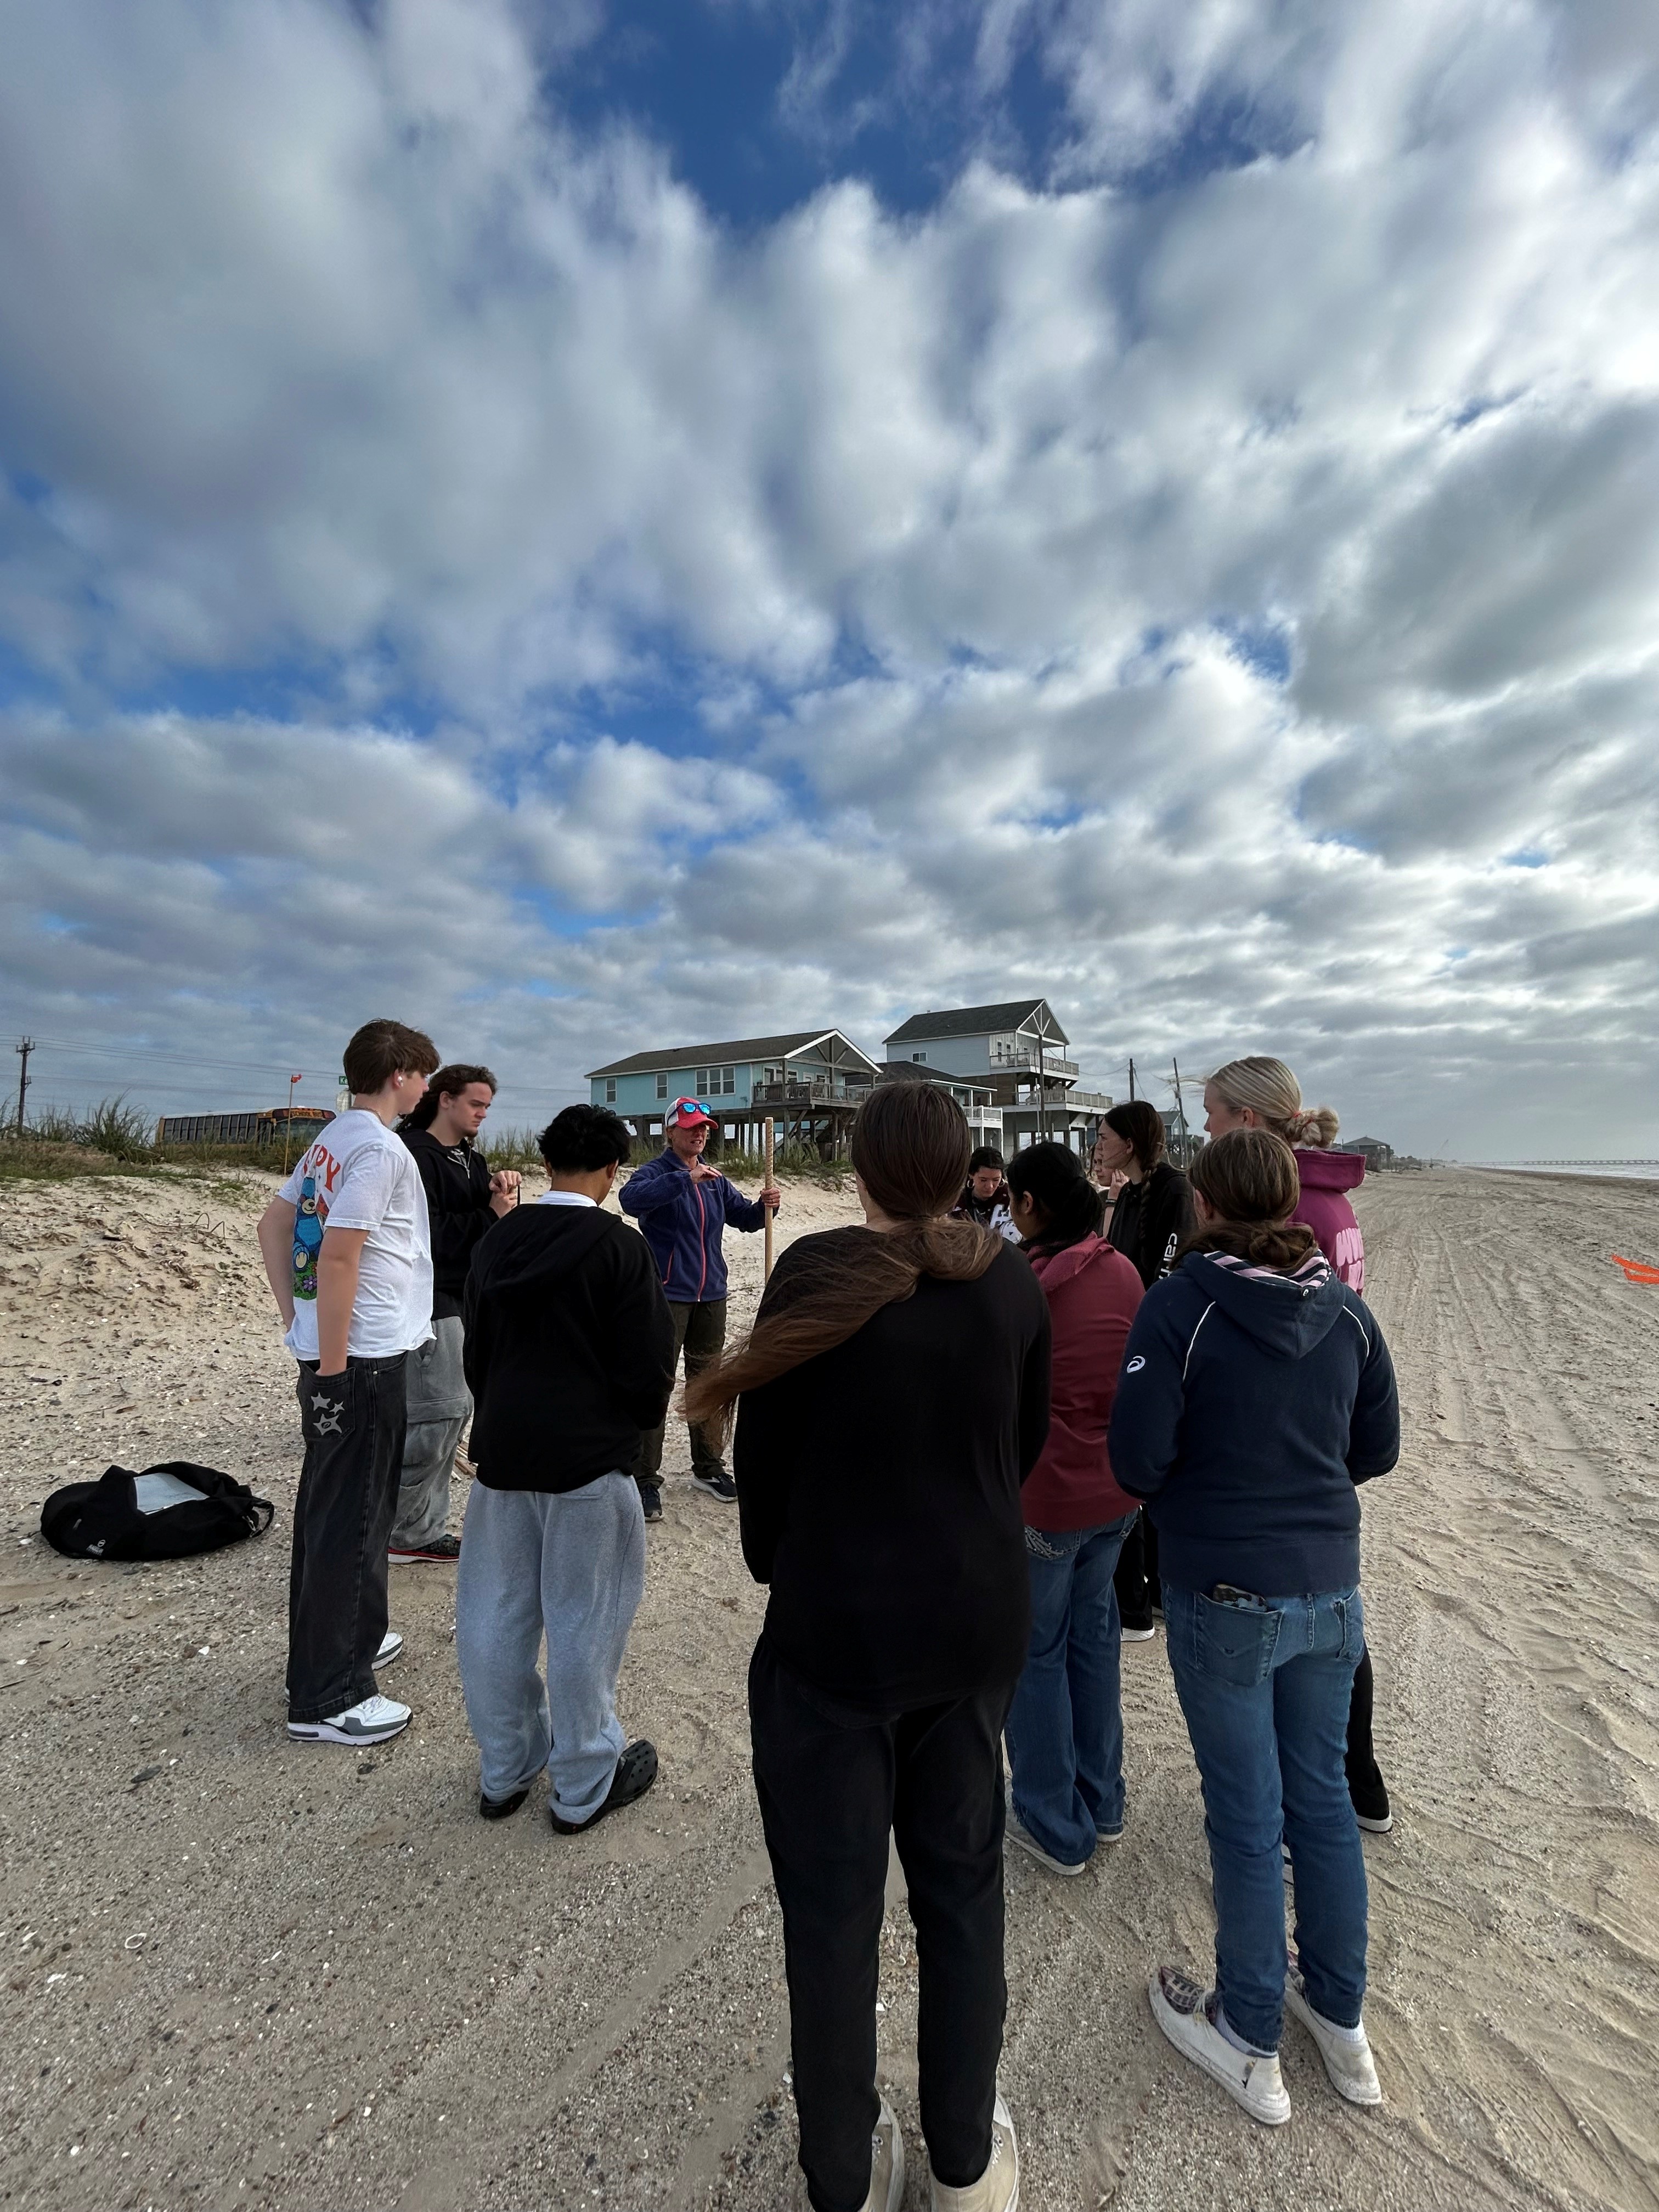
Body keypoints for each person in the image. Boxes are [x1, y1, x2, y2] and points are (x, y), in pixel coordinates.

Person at [687, 1082, 1051, 2212]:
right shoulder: (1010, 1280)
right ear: (964, 1168)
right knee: (962, 1898)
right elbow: (1022, 1444)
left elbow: (772, 1472)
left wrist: (779, 1562)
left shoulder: (824, 1272)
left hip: (836, 1642)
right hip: (972, 1623)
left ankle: (842, 2178)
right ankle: (962, 2165)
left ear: (860, 1168)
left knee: (834, 1922)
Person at [1109, 1129, 1400, 2125]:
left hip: (1225, 1589)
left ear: (1203, 1205)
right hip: (1326, 1589)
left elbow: (1136, 1460)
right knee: (1315, 1799)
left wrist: (1221, 1491)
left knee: (1247, 1813)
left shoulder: (1183, 1302)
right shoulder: (1344, 1309)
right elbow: (1373, 1447)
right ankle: (1338, 2013)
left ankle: (1248, 2034)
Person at [455, 1104, 675, 1830]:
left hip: (504, 1455)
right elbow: (648, 1372)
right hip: (586, 1464)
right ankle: (584, 1779)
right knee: (584, 1620)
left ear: (548, 1162)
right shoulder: (619, 1247)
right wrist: (628, 1429)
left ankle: (506, 1766)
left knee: (495, 1613)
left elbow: (477, 1353)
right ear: (613, 1171)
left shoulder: (497, 1241)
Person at [1203, 1057, 1392, 1832]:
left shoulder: (1292, 1209)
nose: (1206, 1124)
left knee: (1292, 1631)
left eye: (1213, 1112)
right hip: (1326, 1427)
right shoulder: (1332, 1199)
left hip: (1279, 1440)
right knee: (1332, 1617)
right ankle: (1358, 1779)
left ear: (1248, 1122)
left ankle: (1319, 1795)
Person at [255, 1018, 440, 1748]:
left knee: (345, 1507)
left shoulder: (331, 1138)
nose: (427, 1087)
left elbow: (274, 1226)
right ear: (399, 1073)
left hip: (337, 1351)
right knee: (352, 1517)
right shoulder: (377, 1146)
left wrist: (297, 1325)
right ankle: (328, 1696)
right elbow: (337, 1257)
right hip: (357, 1363)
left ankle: (352, 1640)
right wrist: (331, 1365)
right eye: (423, 1074)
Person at [1001, 1143, 1144, 1877]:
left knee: (1036, 1655)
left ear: (1029, 1205)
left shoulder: (1024, 1283)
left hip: (1047, 1500)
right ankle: (1104, 1798)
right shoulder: (1121, 1269)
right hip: (1115, 1493)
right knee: (1095, 1642)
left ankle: (1055, 1818)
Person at [619, 1096, 780, 1516]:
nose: (700, 1133)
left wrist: (766, 1209)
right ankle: (644, 1478)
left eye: (705, 1127)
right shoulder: (656, 1174)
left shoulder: (716, 1178)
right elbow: (630, 1201)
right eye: (691, 1126)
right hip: (667, 1296)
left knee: (709, 1381)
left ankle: (708, 1467)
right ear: (670, 1131)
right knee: (658, 1383)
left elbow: (743, 1218)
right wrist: (684, 1180)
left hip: (712, 1294)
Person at [390, 1063, 521, 1564]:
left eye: (487, 1106)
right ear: (445, 1099)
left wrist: (501, 1191)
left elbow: (490, 1228)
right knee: (436, 1414)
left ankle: (417, 1525)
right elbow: (424, 1238)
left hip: (467, 1300)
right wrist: (491, 1214)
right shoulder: (415, 1156)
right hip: (431, 1301)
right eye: (475, 1103)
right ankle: (406, 1531)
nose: (482, 1113)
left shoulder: (471, 1158)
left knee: (452, 1412)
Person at [1093, 1102, 1195, 1641]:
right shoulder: (1128, 1192)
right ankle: (1152, 1590)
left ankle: (1157, 1592)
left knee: (1160, 1471)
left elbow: (1165, 1272)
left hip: (1162, 1347)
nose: (1098, 1141)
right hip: (1133, 1342)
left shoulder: (1174, 1190)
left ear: (1129, 1142)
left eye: (1105, 1134)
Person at [951, 1146, 1021, 1242]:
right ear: (971, 1174)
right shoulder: (957, 1203)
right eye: (983, 1180)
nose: (990, 1186)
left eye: (996, 1180)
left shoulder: (1014, 1198)